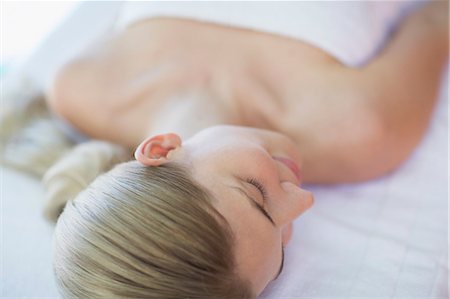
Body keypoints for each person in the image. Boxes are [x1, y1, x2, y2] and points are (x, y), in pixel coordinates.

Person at [2, 1, 448, 298]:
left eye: (256, 195)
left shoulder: (81, 86)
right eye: (283, 247)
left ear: (160, 149)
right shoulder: (362, 131)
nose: (303, 200)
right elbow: (435, 19)